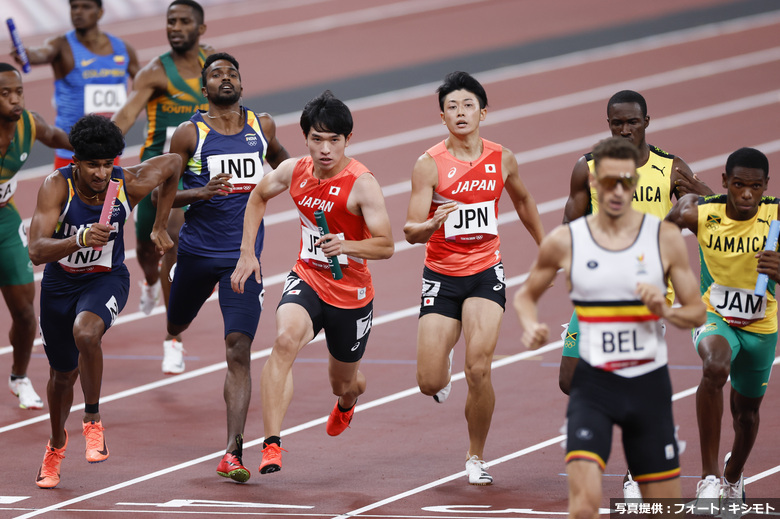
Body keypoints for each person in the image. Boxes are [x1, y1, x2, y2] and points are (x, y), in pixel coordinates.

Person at [514, 137, 706, 516]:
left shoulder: (664, 238)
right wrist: (529, 323)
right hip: (594, 387)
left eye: (624, 182)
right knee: (583, 503)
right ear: (595, 184)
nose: (616, 191)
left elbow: (696, 312)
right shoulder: (566, 240)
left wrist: (665, 313)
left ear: (634, 183)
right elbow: (526, 294)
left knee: (662, 506)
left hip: (647, 385)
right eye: (607, 182)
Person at [231, 89, 393, 476]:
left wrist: (347, 244)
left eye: (334, 140)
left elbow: (386, 245)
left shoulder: (362, 184)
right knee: (284, 341)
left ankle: (347, 402)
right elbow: (257, 197)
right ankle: (272, 445)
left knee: (344, 382)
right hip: (308, 277)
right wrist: (247, 252)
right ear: (305, 138)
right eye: (317, 139)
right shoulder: (294, 170)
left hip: (351, 294)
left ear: (347, 141)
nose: (325, 149)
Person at [558, 90, 711, 498]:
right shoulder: (587, 167)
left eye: (632, 122)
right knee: (569, 379)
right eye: (616, 123)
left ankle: (635, 469)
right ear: (608, 124)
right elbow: (570, 220)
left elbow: (713, 211)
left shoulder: (670, 168)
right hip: (597, 288)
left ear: (647, 121)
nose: (624, 129)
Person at [403, 71, 544, 485]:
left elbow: (524, 200)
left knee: (479, 368)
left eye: (467, 106)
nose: (460, 113)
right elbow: (410, 230)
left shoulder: (503, 158)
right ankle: (441, 360)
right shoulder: (428, 165)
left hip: (485, 271)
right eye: (451, 107)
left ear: (483, 112)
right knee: (430, 381)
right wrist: (432, 223)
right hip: (442, 275)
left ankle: (476, 456)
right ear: (442, 117)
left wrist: (547, 249)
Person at [27, 113, 180, 489]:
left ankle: (93, 419)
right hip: (60, 286)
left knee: (87, 333)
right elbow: (35, 250)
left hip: (107, 279)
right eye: (92, 164)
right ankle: (57, 443)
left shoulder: (127, 183)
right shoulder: (55, 187)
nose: (100, 173)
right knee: (61, 377)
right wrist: (78, 240)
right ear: (75, 161)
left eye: (106, 163)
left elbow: (173, 164)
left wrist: (159, 223)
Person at [165, 52, 289, 483]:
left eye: (232, 73)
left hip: (243, 258)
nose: (225, 78)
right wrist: (198, 194)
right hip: (196, 254)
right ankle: (175, 311)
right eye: (216, 74)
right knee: (176, 318)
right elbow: (165, 195)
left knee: (238, 348)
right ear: (204, 89)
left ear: (242, 84)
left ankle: (232, 450)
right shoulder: (189, 134)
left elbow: (290, 169)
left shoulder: (262, 127)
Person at [665, 147, 777, 506]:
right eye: (739, 185)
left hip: (761, 326)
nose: (747, 194)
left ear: (766, 186)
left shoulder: (777, 217)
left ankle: (732, 476)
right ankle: (709, 478)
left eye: (755, 187)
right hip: (715, 315)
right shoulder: (699, 213)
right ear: (725, 181)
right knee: (714, 367)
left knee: (746, 416)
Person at [112, 0, 213, 374]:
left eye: (184, 21)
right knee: (145, 248)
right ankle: (151, 282)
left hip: (199, 167)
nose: (175, 27)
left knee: (172, 231)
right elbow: (125, 114)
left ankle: (173, 338)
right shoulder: (155, 73)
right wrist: (101, 145)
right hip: (156, 169)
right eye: (171, 21)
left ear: (201, 29)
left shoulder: (215, 66)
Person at [0, 63, 72, 409]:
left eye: (19, 92)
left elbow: (62, 139)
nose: (15, 100)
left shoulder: (28, 123)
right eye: (4, 94)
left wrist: (97, 145)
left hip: (5, 223)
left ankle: (19, 377)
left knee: (26, 312)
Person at [12, 0, 139, 169]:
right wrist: (27, 54)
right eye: (74, 7)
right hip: (71, 149)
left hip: (108, 147)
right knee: (65, 195)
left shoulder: (122, 48)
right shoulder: (61, 45)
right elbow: (42, 53)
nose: (78, 12)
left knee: (108, 195)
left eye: (85, 7)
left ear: (100, 12)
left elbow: (143, 86)